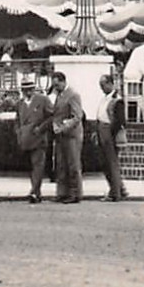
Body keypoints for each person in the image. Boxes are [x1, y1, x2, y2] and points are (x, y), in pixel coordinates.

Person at [14, 77, 54, 203]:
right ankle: (36, 191)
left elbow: (51, 116)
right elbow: (17, 120)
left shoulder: (43, 100)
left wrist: (41, 128)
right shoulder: (20, 104)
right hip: (25, 139)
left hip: (38, 138)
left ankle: (35, 192)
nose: (28, 92)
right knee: (30, 167)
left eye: (30, 89)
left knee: (38, 166)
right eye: (25, 90)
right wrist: (18, 132)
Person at [49, 70, 85, 203]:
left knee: (73, 164)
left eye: (57, 85)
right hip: (61, 135)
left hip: (71, 136)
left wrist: (64, 127)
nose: (55, 88)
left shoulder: (73, 95)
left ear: (63, 82)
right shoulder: (59, 95)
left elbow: (77, 116)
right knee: (61, 164)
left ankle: (75, 193)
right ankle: (62, 192)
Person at [96, 74, 129, 201]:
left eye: (103, 85)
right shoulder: (105, 98)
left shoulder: (117, 100)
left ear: (110, 84)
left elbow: (120, 121)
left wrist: (111, 134)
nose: (102, 88)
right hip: (102, 129)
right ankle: (119, 188)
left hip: (110, 131)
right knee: (105, 163)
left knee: (111, 163)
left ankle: (115, 192)